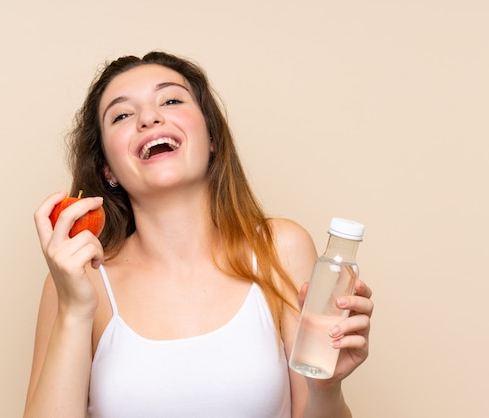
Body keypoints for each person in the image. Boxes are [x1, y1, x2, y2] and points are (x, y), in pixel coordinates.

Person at [24, 51, 374, 418]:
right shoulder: (80, 281)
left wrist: (326, 388)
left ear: (211, 138)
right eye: (123, 114)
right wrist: (75, 310)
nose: (149, 117)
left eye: (171, 100)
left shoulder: (280, 249)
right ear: (107, 169)